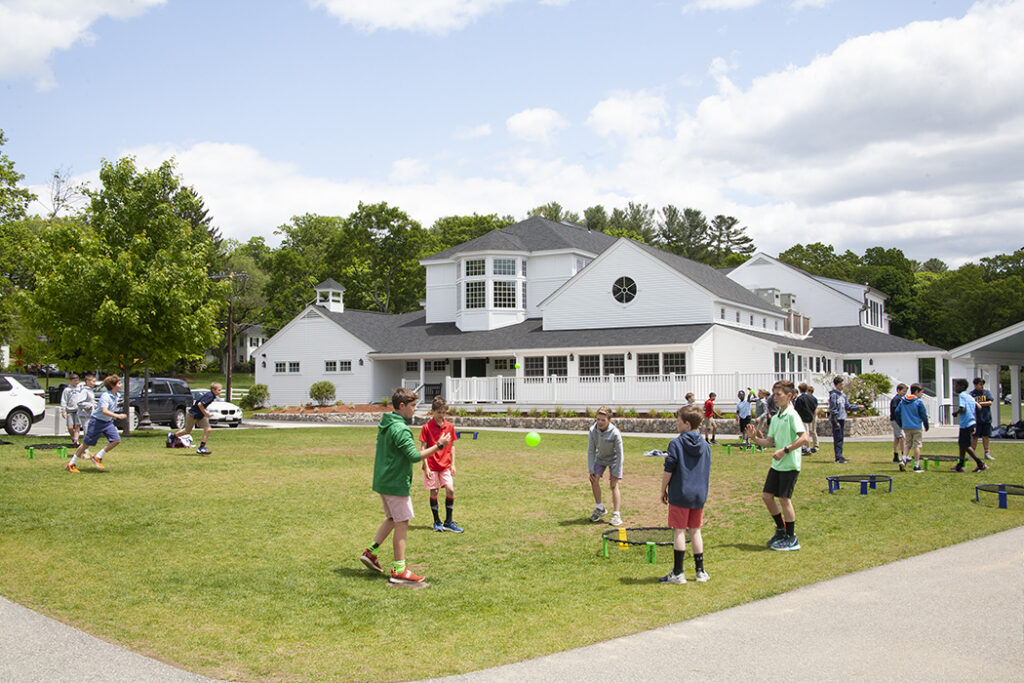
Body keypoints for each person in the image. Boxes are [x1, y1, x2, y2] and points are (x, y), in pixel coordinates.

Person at [360, 387, 451, 585]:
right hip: (395, 483)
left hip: (383, 481)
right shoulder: (400, 428)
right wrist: (440, 445)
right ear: (401, 406)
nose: (415, 410)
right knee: (402, 522)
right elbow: (414, 456)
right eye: (412, 406)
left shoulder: (387, 422)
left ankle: (371, 552)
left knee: (392, 518)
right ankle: (399, 570)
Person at [746, 380, 809, 551]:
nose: (775, 398)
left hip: (789, 464)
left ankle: (791, 537)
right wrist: (754, 438)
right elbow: (769, 442)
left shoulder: (792, 415)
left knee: (784, 499)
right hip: (777, 465)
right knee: (767, 496)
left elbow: (804, 438)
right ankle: (781, 530)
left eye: (779, 395)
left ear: (789, 396)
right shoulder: (775, 418)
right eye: (774, 394)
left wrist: (785, 450)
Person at [659, 404, 711, 584]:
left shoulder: (676, 443)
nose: (676, 424)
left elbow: (669, 469)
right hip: (699, 494)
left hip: (681, 493)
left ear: (687, 424)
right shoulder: (705, 445)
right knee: (695, 531)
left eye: (679, 421)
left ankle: (678, 572)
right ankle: (700, 571)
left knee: (679, 531)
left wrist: (663, 489)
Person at [65, 375, 126, 473]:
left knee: (116, 440)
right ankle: (71, 464)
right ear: (112, 385)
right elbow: (104, 411)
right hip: (97, 422)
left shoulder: (117, 395)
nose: (121, 385)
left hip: (107, 422)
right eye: (119, 383)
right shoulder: (106, 396)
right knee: (86, 444)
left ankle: (98, 457)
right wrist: (117, 416)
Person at [419, 396, 462, 533]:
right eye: (438, 412)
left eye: (443, 412)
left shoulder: (449, 427)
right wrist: (426, 466)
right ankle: (436, 522)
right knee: (434, 491)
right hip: (431, 465)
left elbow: (452, 447)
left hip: (445, 465)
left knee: (450, 489)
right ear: (432, 412)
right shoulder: (426, 427)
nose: (441, 415)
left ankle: (448, 522)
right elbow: (423, 448)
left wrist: (453, 464)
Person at [587, 406, 625, 526]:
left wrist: (617, 472)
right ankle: (600, 509)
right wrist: (591, 469)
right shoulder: (593, 430)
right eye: (598, 419)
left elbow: (620, 454)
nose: (600, 422)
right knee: (594, 480)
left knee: (613, 485)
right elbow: (591, 451)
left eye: (603, 420)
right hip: (600, 458)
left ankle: (616, 515)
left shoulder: (615, 433)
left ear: (609, 420)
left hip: (614, 460)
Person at [170, 382, 221, 455]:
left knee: (208, 429)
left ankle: (201, 448)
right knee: (187, 431)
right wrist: (206, 414)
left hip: (200, 415)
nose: (220, 392)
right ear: (213, 390)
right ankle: (173, 436)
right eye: (219, 390)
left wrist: (204, 414)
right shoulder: (209, 395)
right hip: (192, 415)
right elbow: (199, 404)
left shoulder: (212, 396)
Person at [952, 378, 987, 473]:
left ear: (962, 387)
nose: (955, 388)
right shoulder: (970, 396)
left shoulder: (962, 395)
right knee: (961, 445)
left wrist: (956, 413)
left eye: (957, 386)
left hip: (966, 424)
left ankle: (980, 464)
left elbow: (963, 408)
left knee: (966, 445)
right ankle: (960, 465)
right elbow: (974, 409)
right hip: (971, 422)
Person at [896, 383, 929, 473]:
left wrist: (900, 423)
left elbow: (897, 411)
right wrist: (926, 424)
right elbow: (923, 415)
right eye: (921, 393)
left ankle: (903, 460)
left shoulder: (903, 401)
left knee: (907, 444)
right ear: (917, 392)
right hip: (916, 426)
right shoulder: (918, 402)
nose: (922, 395)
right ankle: (916, 465)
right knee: (917, 445)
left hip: (906, 426)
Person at [828, 376, 860, 464]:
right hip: (836, 419)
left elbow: (847, 406)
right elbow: (833, 408)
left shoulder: (843, 395)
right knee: (837, 438)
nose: (842, 386)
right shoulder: (834, 395)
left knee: (841, 438)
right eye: (840, 384)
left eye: (843, 384)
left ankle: (840, 455)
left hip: (842, 418)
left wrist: (858, 408)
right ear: (836, 385)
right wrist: (834, 421)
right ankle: (838, 458)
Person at [59, 373, 94, 447]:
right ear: (70, 381)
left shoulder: (80, 389)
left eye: (77, 380)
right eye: (75, 380)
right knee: (70, 427)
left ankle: (76, 441)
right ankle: (73, 437)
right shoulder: (67, 390)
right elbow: (63, 400)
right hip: (69, 410)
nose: (76, 382)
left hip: (78, 410)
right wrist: (63, 410)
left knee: (77, 426)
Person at [970, 378, 995, 461]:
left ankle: (987, 453)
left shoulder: (986, 393)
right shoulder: (972, 394)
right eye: (980, 384)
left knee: (986, 436)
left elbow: (990, 402)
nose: (982, 386)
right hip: (976, 419)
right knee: (975, 437)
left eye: (982, 384)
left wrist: (979, 403)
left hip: (986, 418)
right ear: (975, 385)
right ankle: (972, 454)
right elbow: (970, 403)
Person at [793, 384, 817, 456]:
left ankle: (806, 448)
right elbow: (814, 407)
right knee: (807, 432)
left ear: (800, 389)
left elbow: (797, 409)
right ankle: (806, 447)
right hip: (810, 417)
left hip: (802, 417)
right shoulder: (811, 398)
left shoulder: (800, 398)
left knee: (804, 433)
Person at [889, 383, 908, 468]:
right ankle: (904, 456)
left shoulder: (900, 399)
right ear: (898, 390)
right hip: (896, 421)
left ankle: (896, 456)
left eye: (905, 392)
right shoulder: (896, 399)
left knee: (897, 438)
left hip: (896, 421)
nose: (904, 393)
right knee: (902, 438)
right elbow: (895, 411)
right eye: (903, 391)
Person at [806, 386, 820, 453]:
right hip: (808, 416)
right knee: (807, 431)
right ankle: (806, 445)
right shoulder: (806, 398)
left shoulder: (813, 399)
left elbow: (816, 408)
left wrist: (814, 416)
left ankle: (816, 444)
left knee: (813, 430)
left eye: (808, 391)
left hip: (813, 416)